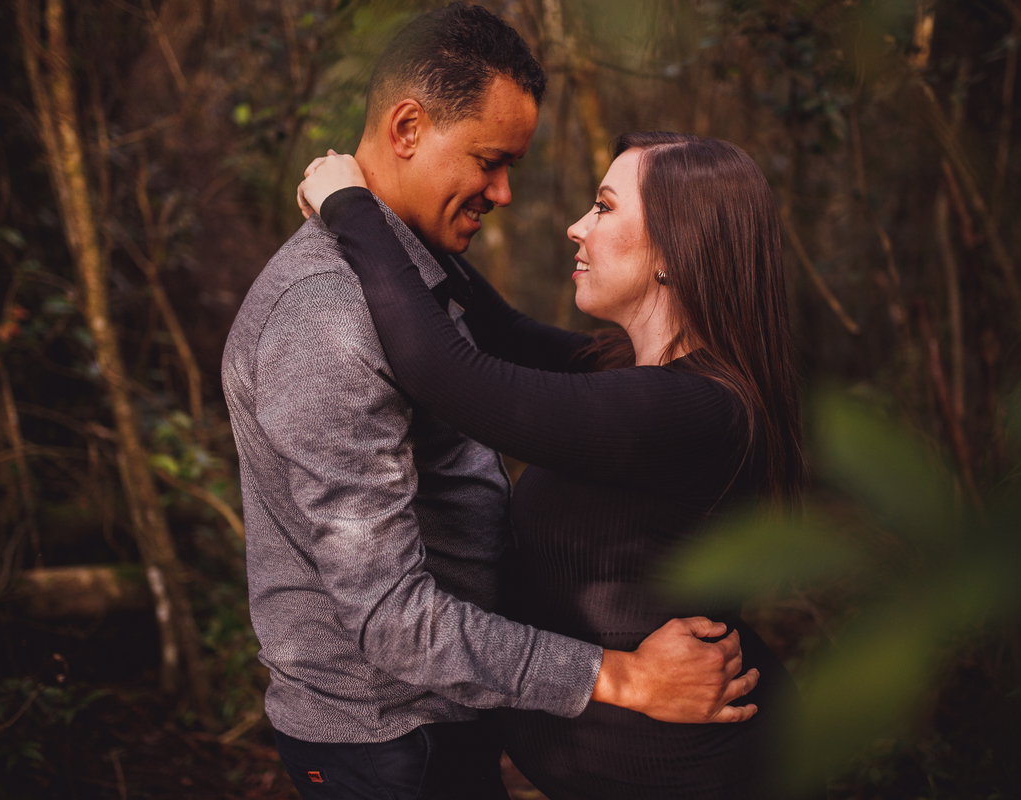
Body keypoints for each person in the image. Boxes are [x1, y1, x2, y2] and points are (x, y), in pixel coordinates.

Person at [222, 5, 760, 800]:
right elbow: (392, 618)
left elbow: (470, 370)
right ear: (407, 127)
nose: (506, 193)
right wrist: (620, 678)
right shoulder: (328, 317)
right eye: (489, 160)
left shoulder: (676, 394)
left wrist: (356, 209)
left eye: (605, 209)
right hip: (391, 732)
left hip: (454, 712)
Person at [297, 130, 804, 799]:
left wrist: (352, 209)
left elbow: (449, 374)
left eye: (603, 207)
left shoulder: (688, 409)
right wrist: (401, 207)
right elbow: (496, 326)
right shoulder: (631, 372)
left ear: (674, 252)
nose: (576, 227)